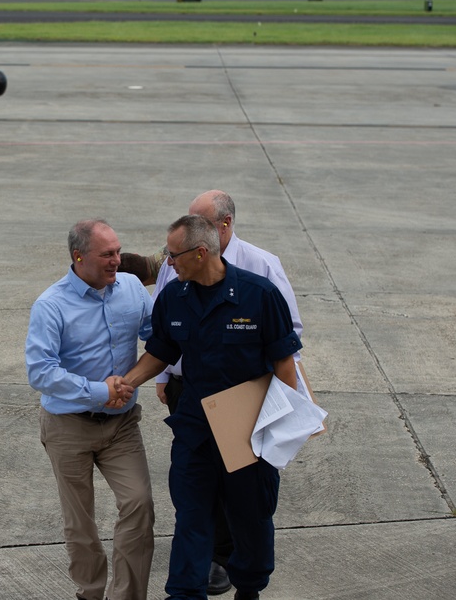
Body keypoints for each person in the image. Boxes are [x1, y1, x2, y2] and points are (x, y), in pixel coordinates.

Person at [118, 190, 303, 595]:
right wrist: (128, 382)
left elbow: (285, 365)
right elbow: (161, 351)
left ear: (200, 253)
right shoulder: (174, 296)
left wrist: (282, 429)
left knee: (250, 518)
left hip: (248, 428)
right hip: (196, 427)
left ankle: (249, 588)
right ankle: (185, 592)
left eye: (173, 256)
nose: (166, 264)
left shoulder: (259, 294)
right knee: (191, 516)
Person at [25, 219, 156, 600]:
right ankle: (91, 590)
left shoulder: (131, 287)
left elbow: (157, 336)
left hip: (122, 425)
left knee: (139, 504)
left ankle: (127, 596)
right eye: (107, 255)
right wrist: (101, 390)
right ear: (78, 257)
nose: (117, 260)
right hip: (68, 426)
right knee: (79, 521)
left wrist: (140, 380)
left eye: (117, 251)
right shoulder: (51, 305)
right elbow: (41, 371)